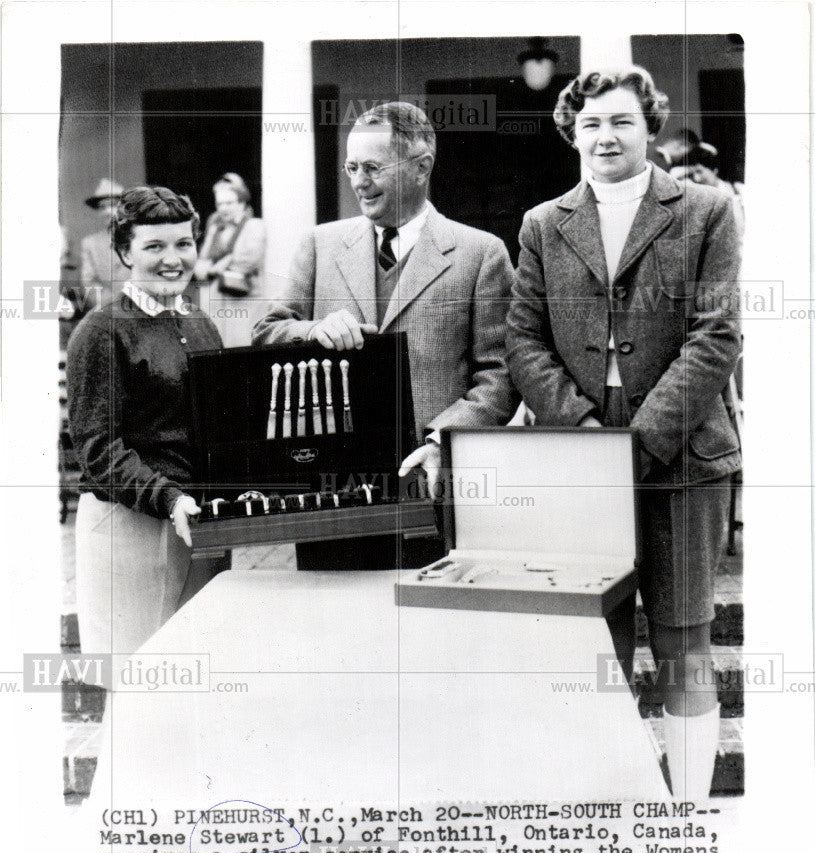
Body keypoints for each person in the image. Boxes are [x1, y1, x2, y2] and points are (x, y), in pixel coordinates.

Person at [505, 67, 742, 802]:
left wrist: (635, 444)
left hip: (683, 451)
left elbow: (715, 333)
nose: (605, 136)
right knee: (598, 646)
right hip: (581, 454)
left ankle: (687, 818)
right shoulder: (544, 223)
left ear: (649, 129)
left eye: (621, 122)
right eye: (591, 125)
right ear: (570, 134)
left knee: (681, 644)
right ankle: (619, 811)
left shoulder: (706, 210)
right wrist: (580, 431)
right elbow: (523, 340)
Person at [252, 101, 519, 569]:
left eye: (373, 167)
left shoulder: (481, 254)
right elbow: (267, 332)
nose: (358, 181)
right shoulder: (320, 245)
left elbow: (499, 375)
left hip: (431, 490)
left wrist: (441, 444)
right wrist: (314, 329)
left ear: (421, 167)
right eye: (352, 167)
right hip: (330, 493)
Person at [67, 186, 228, 655]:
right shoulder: (101, 331)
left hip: (197, 524)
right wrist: (169, 498)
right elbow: (98, 450)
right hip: (129, 529)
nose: (171, 259)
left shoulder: (200, 324)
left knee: (192, 677)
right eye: (153, 246)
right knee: (137, 679)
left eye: (183, 244)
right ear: (124, 252)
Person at [194, 172, 266, 347]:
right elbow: (202, 260)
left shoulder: (254, 226)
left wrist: (217, 266)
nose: (224, 208)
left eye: (229, 203)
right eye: (220, 204)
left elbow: (246, 261)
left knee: (241, 347)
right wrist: (214, 266)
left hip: (242, 300)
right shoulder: (215, 227)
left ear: (242, 203)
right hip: (215, 301)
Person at [80, 178, 131, 311]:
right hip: (109, 311)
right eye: (103, 207)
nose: (108, 211)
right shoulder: (90, 243)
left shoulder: (140, 238)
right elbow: (89, 282)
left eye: (113, 205)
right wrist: (113, 304)